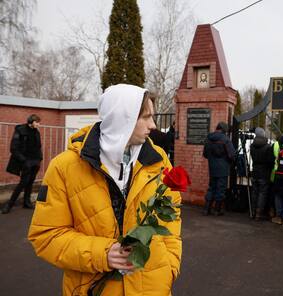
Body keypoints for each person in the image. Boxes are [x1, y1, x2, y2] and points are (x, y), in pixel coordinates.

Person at [28, 84, 182, 295]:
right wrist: (103, 254)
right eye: (145, 117)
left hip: (153, 286)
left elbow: (171, 218)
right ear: (122, 118)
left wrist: (170, 266)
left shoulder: (158, 160)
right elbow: (46, 236)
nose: (153, 125)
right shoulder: (64, 167)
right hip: (93, 287)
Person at [2, 114, 42, 214]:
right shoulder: (20, 130)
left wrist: (39, 159)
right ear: (31, 122)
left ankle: (27, 202)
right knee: (23, 183)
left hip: (35, 161)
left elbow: (38, 146)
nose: (39, 124)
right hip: (25, 161)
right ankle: (9, 205)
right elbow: (13, 148)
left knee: (30, 182)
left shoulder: (36, 131)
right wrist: (24, 161)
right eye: (37, 122)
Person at [202, 122, 235, 216]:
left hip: (212, 168)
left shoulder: (209, 138)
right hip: (223, 168)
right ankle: (217, 210)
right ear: (224, 130)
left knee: (211, 187)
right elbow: (232, 155)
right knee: (221, 189)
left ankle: (206, 209)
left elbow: (205, 154)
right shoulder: (225, 139)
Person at [250, 127, 275, 220]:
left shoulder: (252, 146)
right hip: (264, 173)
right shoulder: (267, 147)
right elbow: (270, 161)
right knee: (262, 193)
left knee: (254, 192)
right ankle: (258, 213)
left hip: (255, 171)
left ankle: (253, 211)